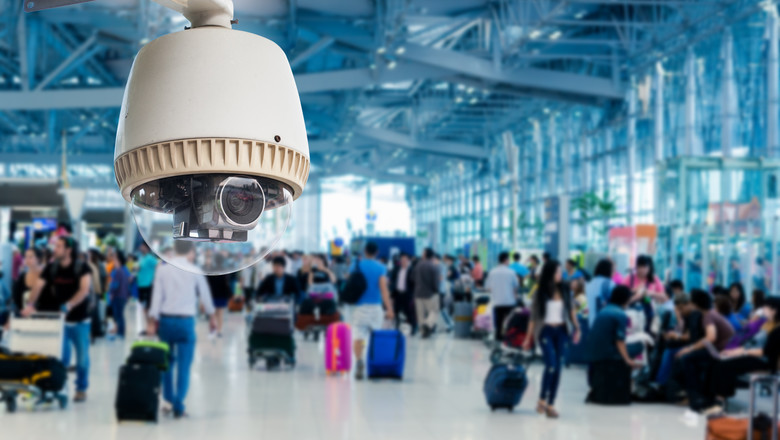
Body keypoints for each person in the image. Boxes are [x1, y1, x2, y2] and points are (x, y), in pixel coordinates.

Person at [147, 240, 216, 418]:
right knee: (184, 366)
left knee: (167, 363)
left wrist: (152, 320)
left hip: (166, 322)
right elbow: (205, 295)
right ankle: (179, 404)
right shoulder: (195, 270)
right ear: (190, 250)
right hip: (186, 323)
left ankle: (169, 400)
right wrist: (212, 316)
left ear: (175, 248)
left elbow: (157, 297)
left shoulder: (162, 269)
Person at [23, 236, 92, 402]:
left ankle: (81, 388)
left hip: (80, 321)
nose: (55, 249)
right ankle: (59, 386)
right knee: (60, 358)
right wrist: (30, 304)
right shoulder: (52, 268)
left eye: (59, 246)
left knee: (82, 359)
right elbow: (38, 286)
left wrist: (68, 305)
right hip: (60, 321)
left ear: (68, 250)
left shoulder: (82, 268)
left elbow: (84, 290)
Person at [524, 260, 581, 419]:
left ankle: (551, 404)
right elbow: (533, 318)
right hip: (546, 331)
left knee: (558, 368)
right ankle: (542, 399)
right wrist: (528, 338)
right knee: (551, 364)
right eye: (557, 272)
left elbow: (571, 311)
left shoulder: (565, 289)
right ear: (549, 273)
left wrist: (577, 328)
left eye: (561, 271)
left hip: (562, 331)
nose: (560, 274)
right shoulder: (540, 292)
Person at [703, 297, 780, 412]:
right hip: (753, 355)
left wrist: (742, 352)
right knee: (717, 362)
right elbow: (753, 343)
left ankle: (720, 401)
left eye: (765, 307)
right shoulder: (767, 324)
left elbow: (767, 351)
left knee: (724, 366)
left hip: (764, 360)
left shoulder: (777, 329)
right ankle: (713, 398)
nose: (763, 309)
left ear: (774, 310)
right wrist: (735, 351)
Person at [675, 288, 735, 411]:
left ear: (696, 304)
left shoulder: (708, 316)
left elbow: (711, 337)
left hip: (722, 352)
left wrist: (690, 348)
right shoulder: (710, 314)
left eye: (690, 302)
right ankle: (696, 395)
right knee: (689, 357)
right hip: (721, 349)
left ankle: (695, 396)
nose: (689, 304)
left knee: (687, 359)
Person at [586, 285, 644, 403]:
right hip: (609, 353)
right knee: (639, 345)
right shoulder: (620, 314)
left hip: (594, 353)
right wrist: (628, 360)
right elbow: (619, 340)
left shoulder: (603, 310)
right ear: (626, 299)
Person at [350, 242, 394, 380]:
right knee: (375, 337)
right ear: (377, 252)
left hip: (360, 307)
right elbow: (384, 289)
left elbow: (351, 282)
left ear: (364, 251)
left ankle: (359, 361)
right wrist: (389, 308)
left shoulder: (356, 265)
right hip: (375, 307)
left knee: (358, 336)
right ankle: (374, 363)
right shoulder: (381, 267)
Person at [623, 255, 667, 333]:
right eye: (641, 267)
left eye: (646, 267)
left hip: (648, 309)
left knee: (647, 331)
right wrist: (635, 290)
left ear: (649, 268)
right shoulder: (630, 278)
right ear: (637, 267)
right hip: (631, 310)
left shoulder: (654, 279)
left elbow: (663, 296)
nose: (643, 270)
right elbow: (620, 293)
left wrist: (651, 293)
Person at [484, 252, 518, 341]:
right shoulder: (511, 272)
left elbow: (488, 287)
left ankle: (498, 337)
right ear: (505, 260)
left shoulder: (492, 272)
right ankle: (509, 337)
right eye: (508, 260)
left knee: (498, 321)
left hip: (497, 302)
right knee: (510, 321)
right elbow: (516, 286)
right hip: (509, 301)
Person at [412, 248, 441, 339]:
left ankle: (423, 332)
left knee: (420, 314)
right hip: (429, 293)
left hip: (417, 293)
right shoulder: (433, 266)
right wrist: (436, 290)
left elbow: (412, 278)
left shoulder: (418, 265)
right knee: (434, 311)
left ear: (425, 255)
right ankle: (427, 324)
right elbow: (435, 282)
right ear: (432, 256)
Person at [390, 253, 417, 335]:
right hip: (398, 294)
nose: (403, 261)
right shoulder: (397, 269)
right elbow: (393, 281)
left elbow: (414, 283)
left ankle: (413, 328)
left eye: (405, 260)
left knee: (409, 312)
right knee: (396, 311)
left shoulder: (412, 270)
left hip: (407, 294)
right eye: (401, 260)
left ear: (408, 260)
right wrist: (392, 294)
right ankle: (397, 328)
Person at [11, 247, 44, 316]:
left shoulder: (45, 276)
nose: (27, 259)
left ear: (38, 258)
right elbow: (16, 298)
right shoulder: (22, 277)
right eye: (26, 256)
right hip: (24, 317)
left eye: (31, 257)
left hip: (43, 316)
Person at [107, 250, 131, 340]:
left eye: (115, 258)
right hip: (123, 296)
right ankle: (121, 332)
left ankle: (121, 333)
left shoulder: (118, 271)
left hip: (118, 296)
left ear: (118, 260)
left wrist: (111, 294)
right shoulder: (123, 270)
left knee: (118, 315)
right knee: (120, 315)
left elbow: (115, 285)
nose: (113, 259)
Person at [584, 259, 616, 328]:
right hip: (603, 323)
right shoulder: (609, 283)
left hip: (589, 323)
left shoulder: (590, 283)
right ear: (608, 270)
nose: (614, 272)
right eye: (613, 270)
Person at [206, 254, 232, 338]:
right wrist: (229, 294)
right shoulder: (225, 270)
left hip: (212, 294)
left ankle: (212, 331)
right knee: (220, 313)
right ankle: (219, 331)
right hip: (222, 294)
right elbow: (226, 284)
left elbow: (208, 283)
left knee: (212, 314)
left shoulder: (211, 269)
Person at [136, 242, 158, 318]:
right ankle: (145, 323)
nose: (140, 247)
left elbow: (158, 266)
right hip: (141, 284)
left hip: (147, 285)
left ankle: (149, 324)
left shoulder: (150, 258)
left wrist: (154, 278)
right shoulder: (142, 258)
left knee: (147, 307)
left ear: (146, 247)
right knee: (142, 306)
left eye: (142, 246)